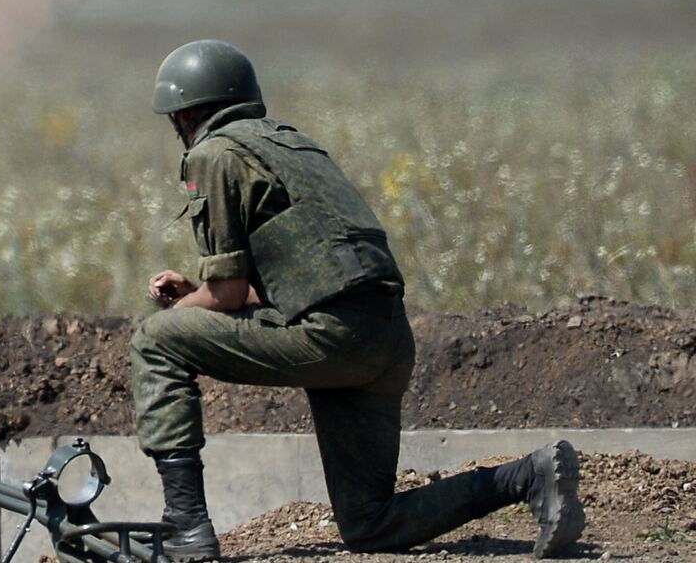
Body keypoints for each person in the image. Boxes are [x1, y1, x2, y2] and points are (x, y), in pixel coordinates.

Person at [130, 40, 584, 560]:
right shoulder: (290, 145)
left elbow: (228, 294)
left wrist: (184, 310)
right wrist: (200, 296)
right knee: (369, 524)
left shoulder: (213, 153)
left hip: (332, 336)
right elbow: (296, 279)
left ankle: (186, 525)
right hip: (384, 337)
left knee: (155, 341)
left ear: (186, 112)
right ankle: (527, 477)